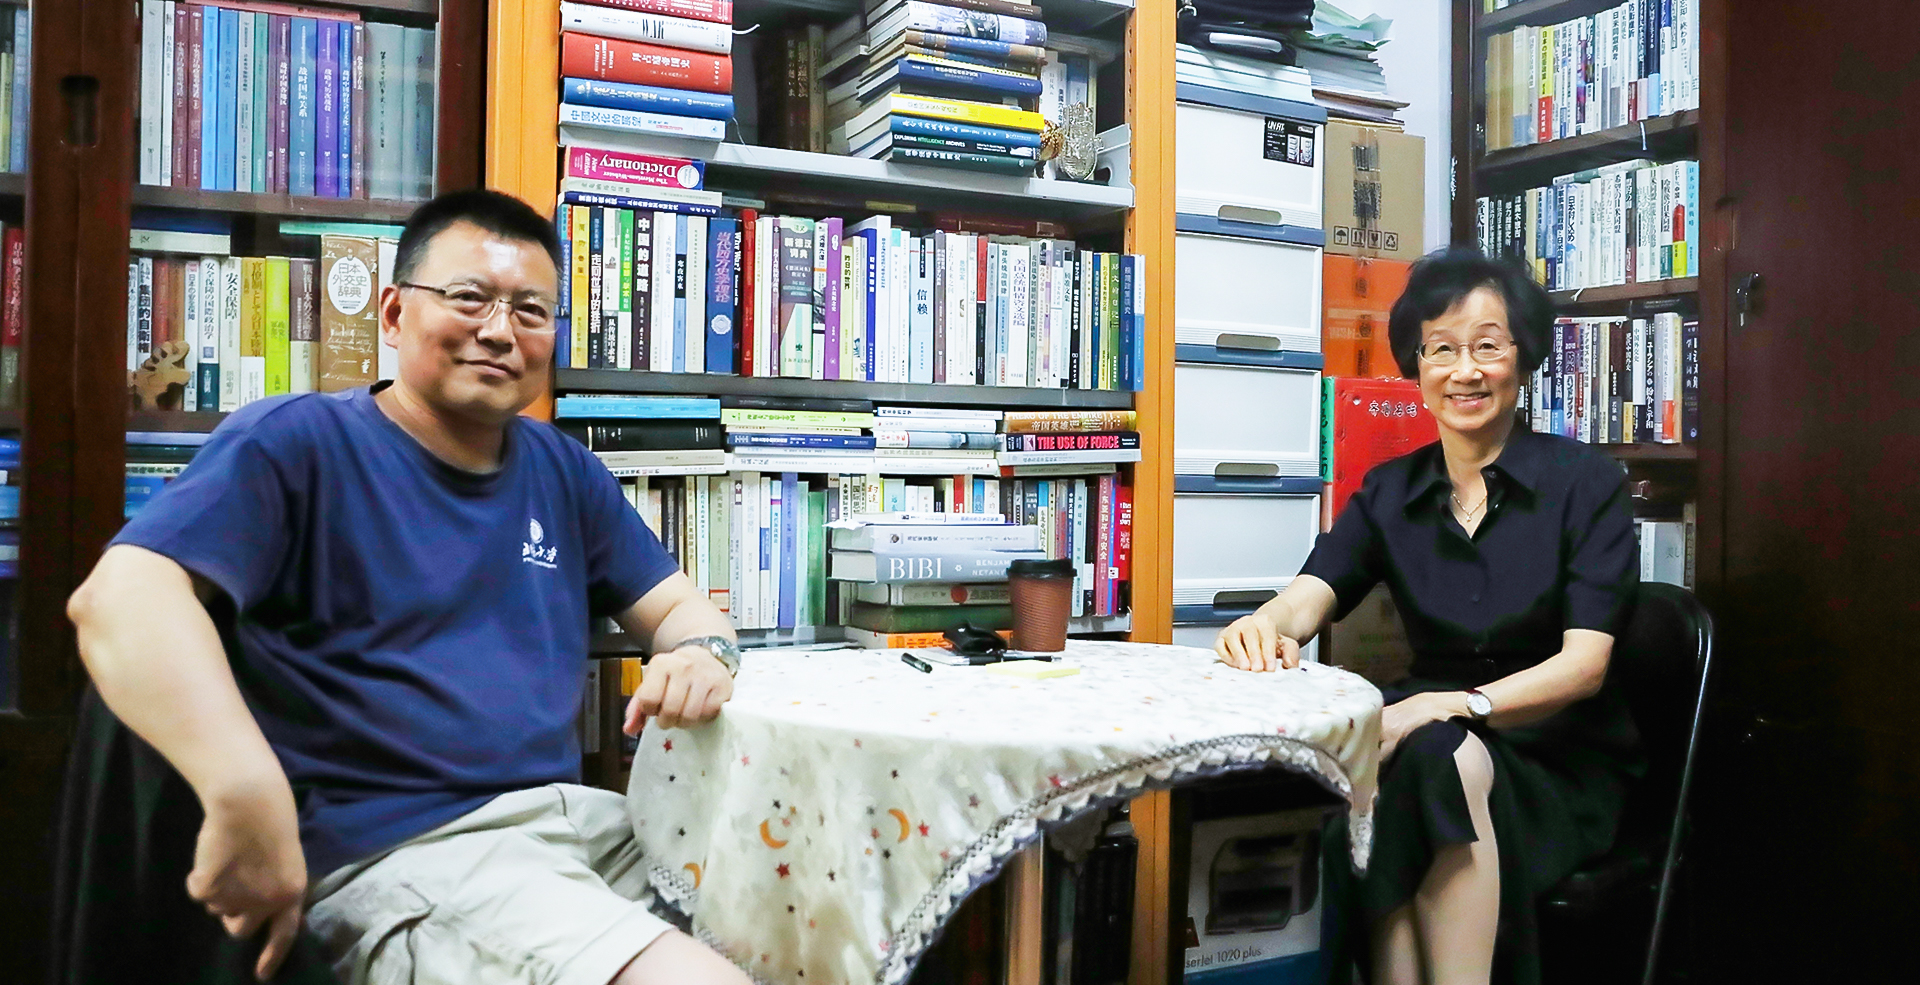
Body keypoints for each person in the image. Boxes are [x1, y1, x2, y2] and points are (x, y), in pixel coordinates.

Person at [67, 189, 752, 985]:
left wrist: (702, 653)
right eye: (469, 297)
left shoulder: (563, 468)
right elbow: (119, 597)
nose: (500, 330)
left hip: (579, 827)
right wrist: (242, 785)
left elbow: (680, 609)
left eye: (531, 311)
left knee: (809, 923)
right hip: (409, 850)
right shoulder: (296, 441)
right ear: (393, 314)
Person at [1214, 246, 1642, 985]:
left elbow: (1584, 667)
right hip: (1431, 740)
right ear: (1416, 368)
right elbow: (1311, 593)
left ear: (1524, 357)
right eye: (1441, 349)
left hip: (1554, 754)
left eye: (1488, 346)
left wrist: (1452, 704)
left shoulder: (1587, 483)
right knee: (1415, 762)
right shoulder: (1392, 491)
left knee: (1430, 757)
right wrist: (1264, 625)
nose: (1464, 371)